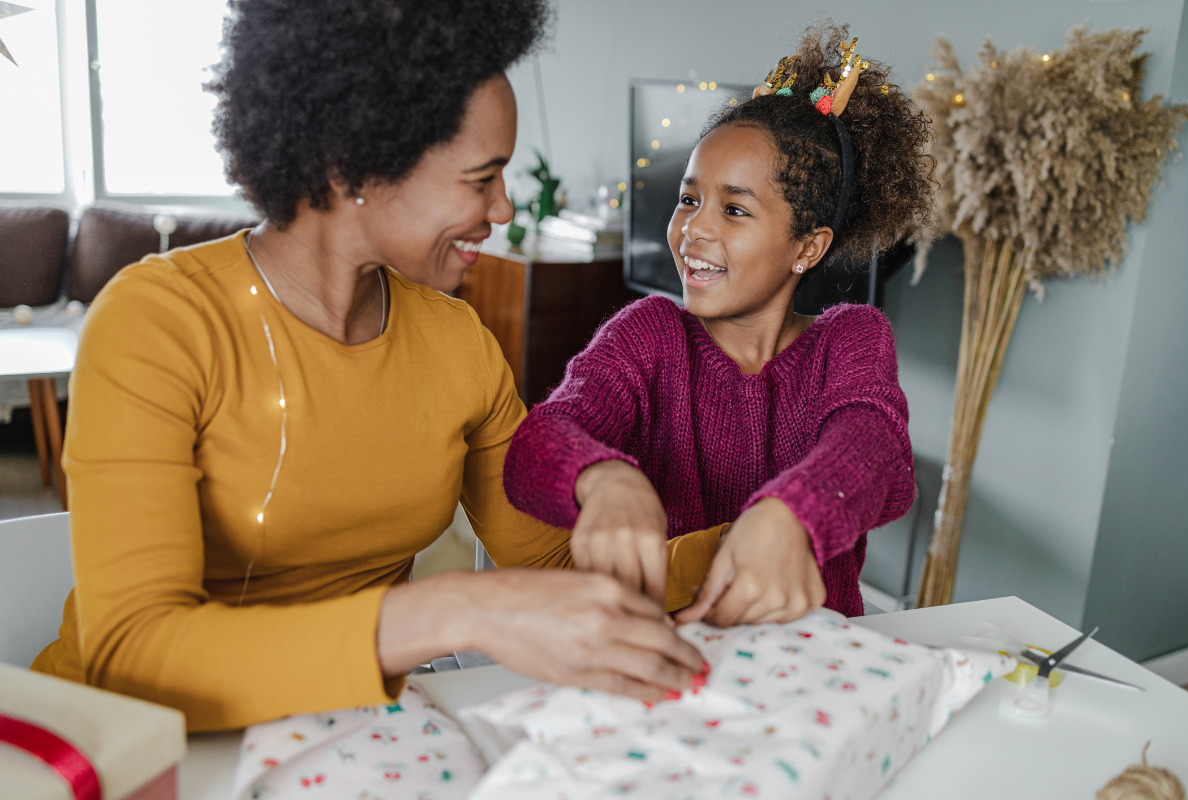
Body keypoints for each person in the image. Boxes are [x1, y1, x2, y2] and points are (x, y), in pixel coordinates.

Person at [31, 0, 709, 732]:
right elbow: (134, 653)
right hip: (140, 750)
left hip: (347, 737)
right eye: (481, 177)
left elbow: (551, 575)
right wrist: (457, 610)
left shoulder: (455, 341)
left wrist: (745, 544)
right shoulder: (158, 323)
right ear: (353, 165)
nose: (504, 206)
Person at [504, 23, 936, 624]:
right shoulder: (648, 336)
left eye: (734, 209)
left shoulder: (849, 339)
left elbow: (877, 451)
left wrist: (792, 512)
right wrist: (600, 478)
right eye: (689, 199)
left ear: (807, 248)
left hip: (809, 668)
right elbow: (536, 445)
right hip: (668, 651)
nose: (694, 229)